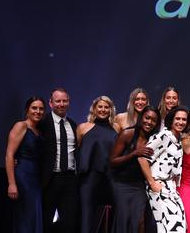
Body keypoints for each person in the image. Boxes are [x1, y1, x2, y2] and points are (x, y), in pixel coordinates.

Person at [139, 105, 190, 233]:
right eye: (177, 118)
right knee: (171, 228)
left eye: (184, 119)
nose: (181, 122)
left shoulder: (177, 139)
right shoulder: (163, 136)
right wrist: (152, 183)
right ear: (171, 120)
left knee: (179, 227)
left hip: (171, 188)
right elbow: (142, 158)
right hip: (159, 186)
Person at [109, 106, 159, 233]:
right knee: (124, 217)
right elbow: (112, 161)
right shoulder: (128, 134)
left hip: (139, 185)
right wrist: (134, 153)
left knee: (139, 220)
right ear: (141, 117)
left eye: (153, 120)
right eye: (147, 118)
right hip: (121, 183)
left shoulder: (155, 139)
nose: (149, 122)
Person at [76, 96, 119, 233]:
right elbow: (77, 150)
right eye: (100, 106)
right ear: (94, 109)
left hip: (110, 177)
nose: (103, 110)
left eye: (106, 107)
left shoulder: (116, 128)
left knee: (116, 214)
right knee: (87, 216)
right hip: (89, 178)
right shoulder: (83, 127)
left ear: (111, 110)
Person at [41, 88, 79, 232]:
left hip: (70, 180)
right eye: (58, 101)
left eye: (65, 101)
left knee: (69, 223)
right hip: (49, 179)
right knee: (45, 221)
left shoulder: (73, 125)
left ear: (69, 102)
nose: (61, 104)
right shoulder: (42, 122)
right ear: (51, 103)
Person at [5, 96, 45, 233]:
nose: (38, 111)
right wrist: (12, 183)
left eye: (41, 109)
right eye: (34, 108)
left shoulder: (39, 131)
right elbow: (9, 155)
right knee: (26, 216)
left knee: (34, 215)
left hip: (36, 177)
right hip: (23, 177)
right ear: (27, 110)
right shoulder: (21, 126)